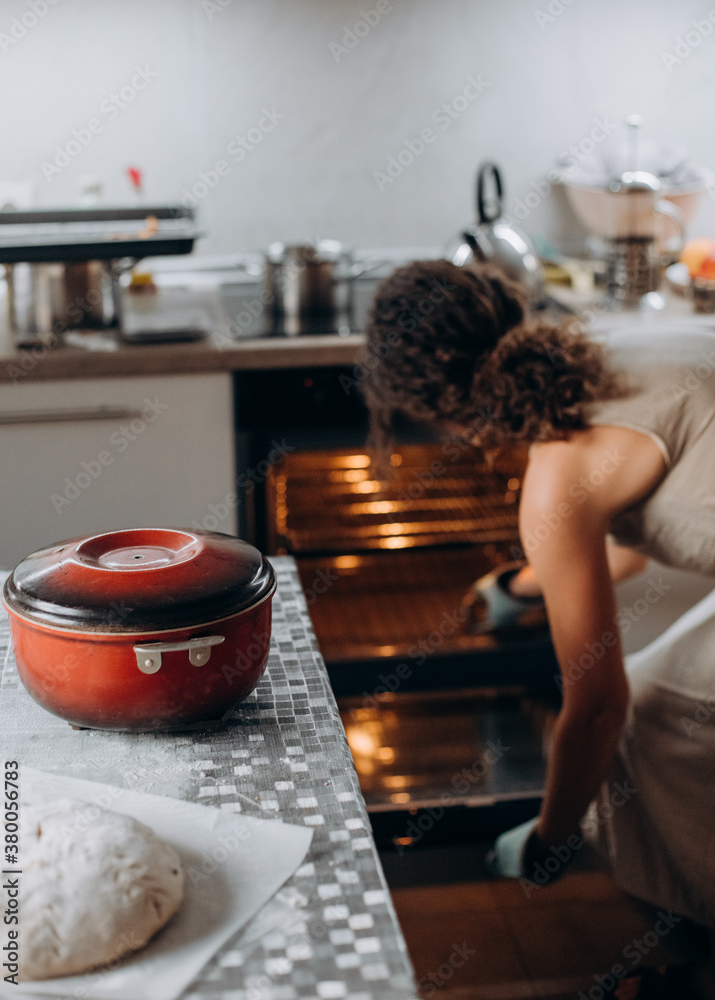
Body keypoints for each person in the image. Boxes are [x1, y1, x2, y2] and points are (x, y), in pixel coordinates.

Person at [360, 259, 715, 954]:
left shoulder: (557, 473)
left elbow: (598, 707)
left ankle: (692, 949)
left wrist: (553, 837)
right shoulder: (600, 345)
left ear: (440, 412)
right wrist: (523, 586)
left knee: (643, 708)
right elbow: (633, 546)